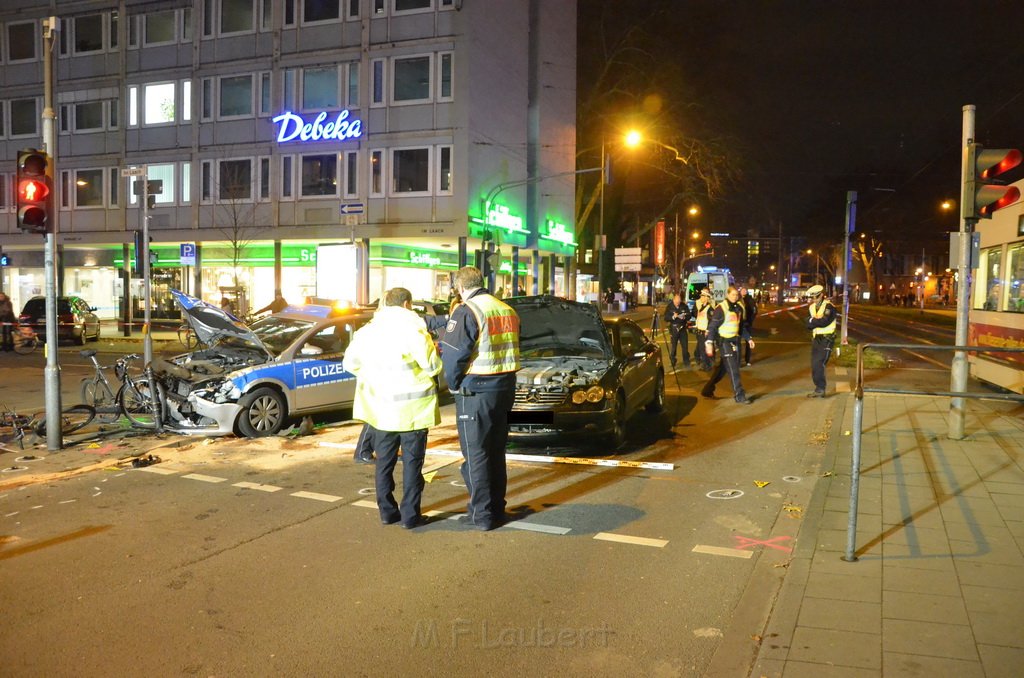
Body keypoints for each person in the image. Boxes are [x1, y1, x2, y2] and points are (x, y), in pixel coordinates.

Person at [343, 287, 442, 529]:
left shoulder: (368, 331)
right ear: (407, 304)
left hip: (381, 411)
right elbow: (432, 367)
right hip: (412, 412)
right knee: (412, 465)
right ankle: (410, 516)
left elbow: (350, 363)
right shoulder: (414, 329)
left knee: (383, 464)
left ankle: (387, 512)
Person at [440, 265, 521, 531]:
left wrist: (452, 385)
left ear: (460, 288)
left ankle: (483, 515)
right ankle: (497, 508)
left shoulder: (467, 310)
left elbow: (453, 355)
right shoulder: (506, 309)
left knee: (476, 454)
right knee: (496, 451)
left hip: (476, 391)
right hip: (505, 388)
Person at [701, 286, 753, 405]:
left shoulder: (738, 308)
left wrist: (748, 338)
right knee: (734, 369)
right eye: (733, 294)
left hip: (734, 341)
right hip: (724, 342)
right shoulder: (721, 308)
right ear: (728, 294)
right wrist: (709, 342)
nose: (735, 297)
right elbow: (712, 327)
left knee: (723, 369)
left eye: (736, 295)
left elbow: (740, 326)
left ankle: (707, 390)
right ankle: (740, 396)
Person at [805, 284, 837, 398]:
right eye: (812, 297)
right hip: (816, 339)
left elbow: (825, 322)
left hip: (826, 338)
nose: (814, 299)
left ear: (822, 295)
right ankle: (818, 388)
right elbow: (806, 323)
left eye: (816, 297)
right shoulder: (811, 307)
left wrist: (813, 321)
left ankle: (820, 389)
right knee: (814, 364)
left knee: (819, 363)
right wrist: (815, 321)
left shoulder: (829, 307)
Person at [663, 292, 691, 369]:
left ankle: (686, 361)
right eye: (677, 300)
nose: (678, 301)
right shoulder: (669, 307)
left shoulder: (684, 306)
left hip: (682, 328)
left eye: (679, 300)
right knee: (673, 346)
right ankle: (673, 361)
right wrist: (673, 317)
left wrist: (685, 317)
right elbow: (665, 317)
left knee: (685, 346)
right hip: (674, 328)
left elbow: (689, 315)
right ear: (673, 299)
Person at [692, 288, 714, 371]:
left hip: (705, 333)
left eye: (702, 296)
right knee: (702, 350)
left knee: (704, 350)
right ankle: (705, 364)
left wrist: (708, 330)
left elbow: (711, 321)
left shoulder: (709, 309)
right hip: (700, 331)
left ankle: (707, 366)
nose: (701, 297)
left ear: (706, 298)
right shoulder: (701, 307)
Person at [740, 286, 758, 366]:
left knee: (748, 341)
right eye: (742, 291)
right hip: (740, 324)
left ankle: (747, 360)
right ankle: (738, 360)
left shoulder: (750, 300)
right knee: (737, 342)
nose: (743, 292)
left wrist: (750, 320)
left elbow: (755, 311)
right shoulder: (738, 300)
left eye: (744, 291)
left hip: (747, 323)